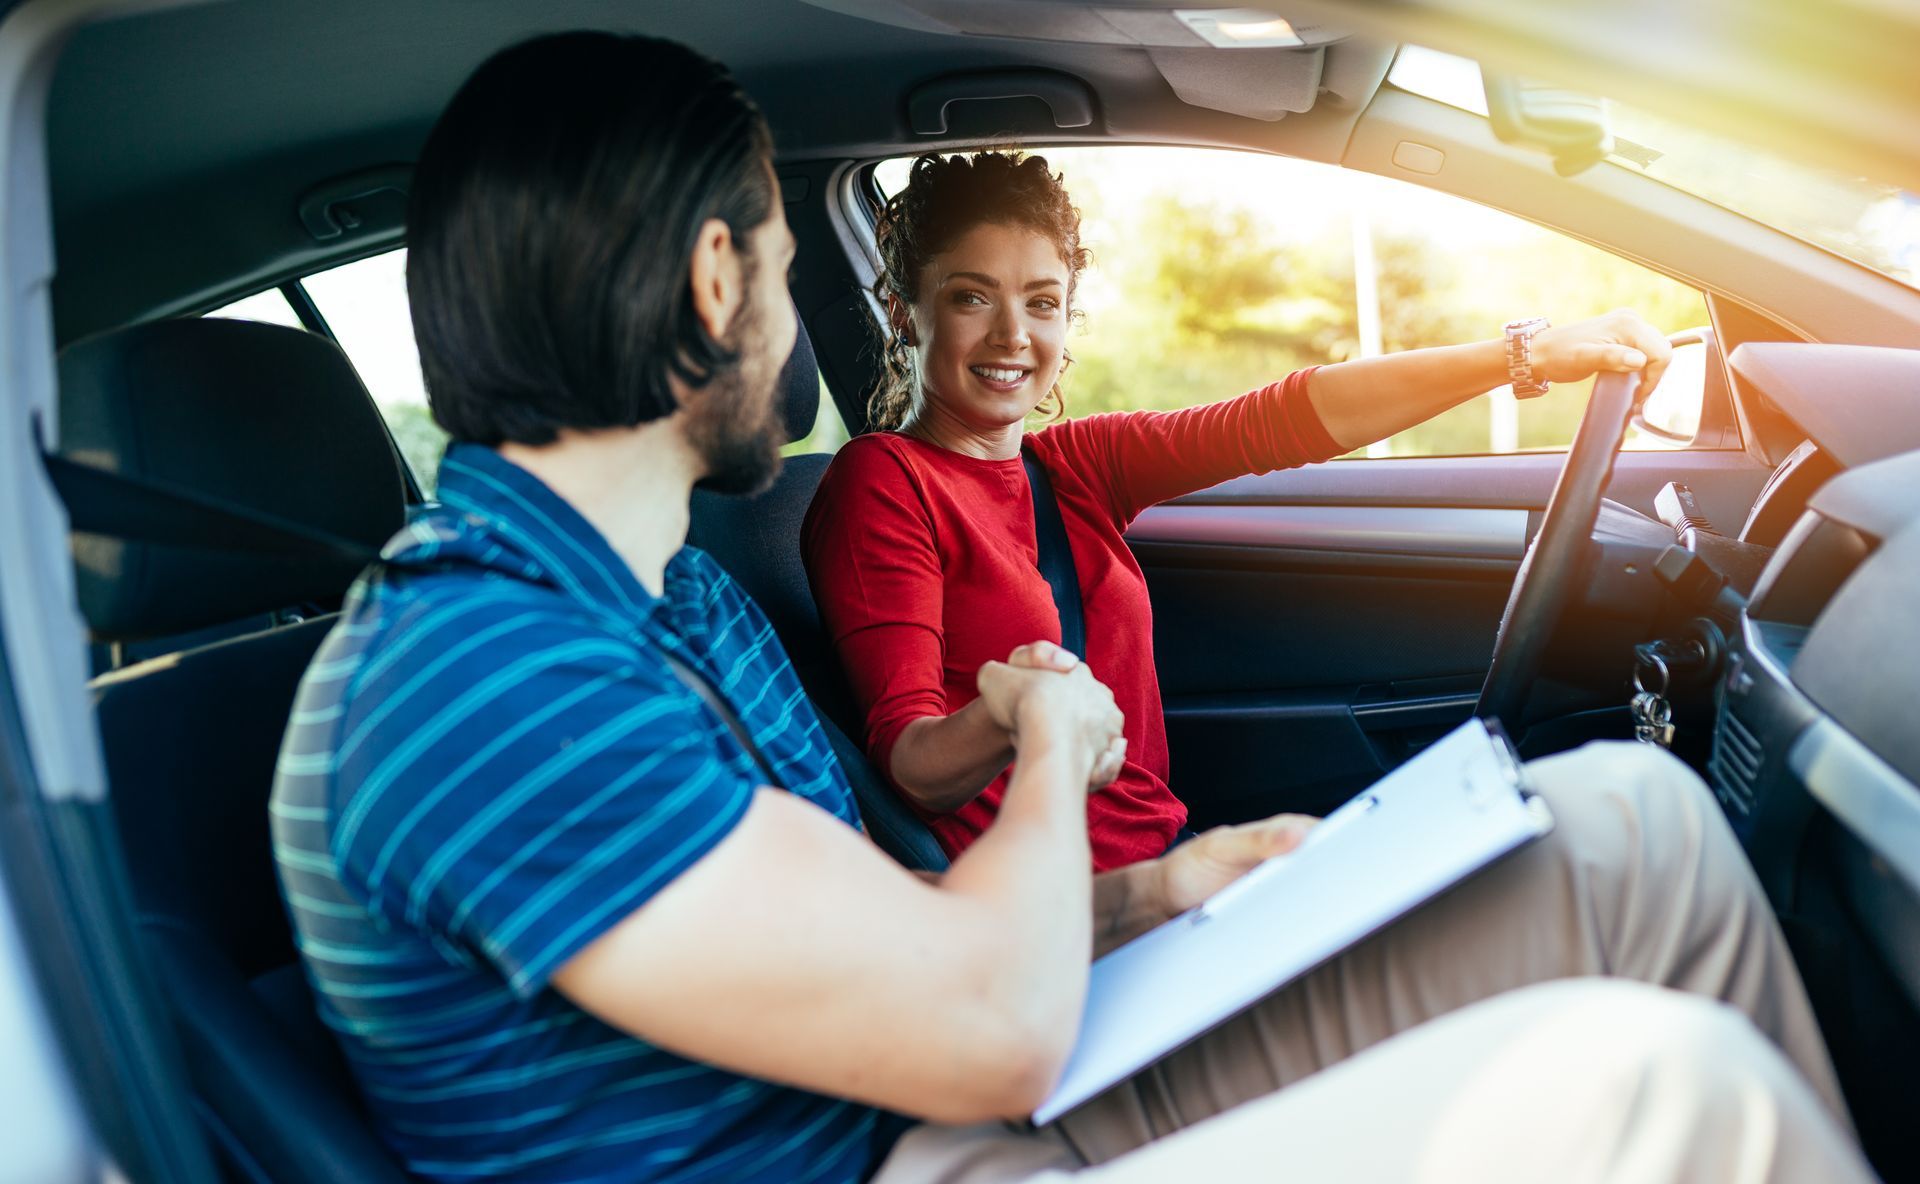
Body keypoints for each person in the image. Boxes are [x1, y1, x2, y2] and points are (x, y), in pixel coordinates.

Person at [269, 31, 1876, 1184]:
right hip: (932, 1136)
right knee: (1672, 1094)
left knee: (1631, 824)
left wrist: (1160, 889)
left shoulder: (659, 594)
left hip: (966, 1072)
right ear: (711, 282)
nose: (779, 315)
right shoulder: (483, 682)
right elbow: (974, 1022)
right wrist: (1046, 742)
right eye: (770, 254)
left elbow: (881, 920)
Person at [800, 151, 1677, 872]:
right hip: (1072, 921)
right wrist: (1015, 712)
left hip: (1171, 864)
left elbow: (1285, 417)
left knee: (1581, 835)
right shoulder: (884, 482)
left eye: (1041, 302)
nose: (1012, 336)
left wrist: (1526, 356)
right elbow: (912, 766)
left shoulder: (1070, 466)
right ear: (903, 311)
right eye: (971, 295)